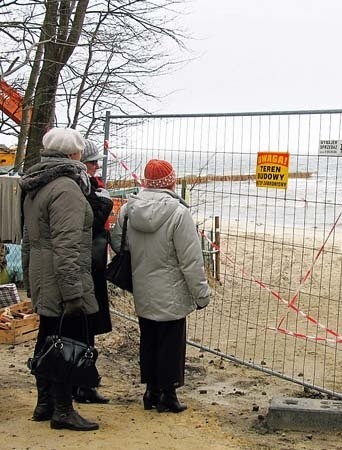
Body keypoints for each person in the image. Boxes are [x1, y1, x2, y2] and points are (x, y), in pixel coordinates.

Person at [111, 159, 210, 413]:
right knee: (171, 341)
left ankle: (151, 391)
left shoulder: (129, 209)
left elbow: (117, 242)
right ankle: (168, 393)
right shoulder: (179, 213)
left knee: (150, 338)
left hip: (142, 285)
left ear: (146, 181)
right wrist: (202, 294)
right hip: (171, 290)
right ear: (171, 182)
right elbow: (191, 260)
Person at [20, 127, 99, 431]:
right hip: (62, 277)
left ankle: (45, 402)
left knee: (48, 335)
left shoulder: (38, 182)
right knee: (67, 342)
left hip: (42, 274)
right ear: (72, 154)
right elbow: (67, 245)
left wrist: (30, 279)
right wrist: (73, 292)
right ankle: (63, 409)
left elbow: (28, 238)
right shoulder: (66, 187)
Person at [71, 139, 113, 404]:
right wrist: (104, 204)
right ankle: (82, 384)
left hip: (91, 264)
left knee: (87, 326)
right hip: (85, 265)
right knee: (83, 325)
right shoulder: (80, 188)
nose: (97, 166)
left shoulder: (88, 185)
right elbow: (89, 224)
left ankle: (83, 382)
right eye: (93, 162)